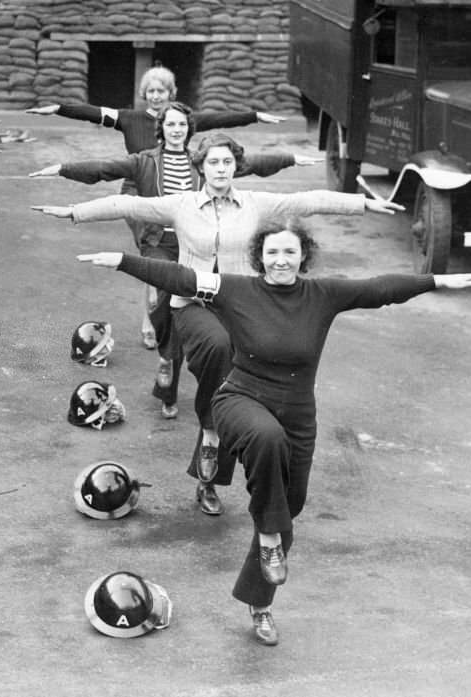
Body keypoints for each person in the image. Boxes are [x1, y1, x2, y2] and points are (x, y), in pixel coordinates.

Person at [74, 223, 471, 646]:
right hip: (239, 400)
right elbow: (182, 278)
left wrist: (435, 280)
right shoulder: (235, 289)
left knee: (289, 508)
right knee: (267, 443)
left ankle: (260, 603)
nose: (280, 260)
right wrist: (123, 262)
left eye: (289, 252)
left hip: (298, 414)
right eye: (272, 253)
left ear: (303, 255)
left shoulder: (323, 295)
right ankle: (266, 534)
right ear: (259, 257)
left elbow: (379, 288)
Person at [32, 133, 402, 518]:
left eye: (227, 163)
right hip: (192, 303)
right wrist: (75, 212)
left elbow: (309, 200)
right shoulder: (183, 204)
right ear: (201, 167)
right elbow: (128, 203)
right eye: (213, 163)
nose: (220, 169)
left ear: (236, 167)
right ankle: (209, 427)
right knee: (220, 348)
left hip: (241, 306)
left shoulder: (257, 204)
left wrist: (365, 203)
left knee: (233, 387)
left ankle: (207, 481)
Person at [30, 102, 320, 422]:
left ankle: (199, 374)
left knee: (210, 316)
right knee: (163, 295)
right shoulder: (144, 162)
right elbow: (104, 168)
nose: (177, 130)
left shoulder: (203, 162)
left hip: (194, 242)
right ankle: (169, 365)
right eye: (171, 125)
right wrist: (63, 169)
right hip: (158, 243)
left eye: (182, 124)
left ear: (189, 128)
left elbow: (251, 162)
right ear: (162, 129)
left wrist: (291, 158)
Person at [26, 66, 286, 350]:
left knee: (176, 270)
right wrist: (58, 109)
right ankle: (153, 316)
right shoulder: (130, 118)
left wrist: (255, 116)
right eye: (150, 91)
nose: (155, 96)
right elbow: (92, 114)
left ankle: (170, 316)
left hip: (178, 204)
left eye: (161, 91)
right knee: (156, 263)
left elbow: (221, 119)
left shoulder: (182, 121)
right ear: (144, 94)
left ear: (170, 94)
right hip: (138, 193)